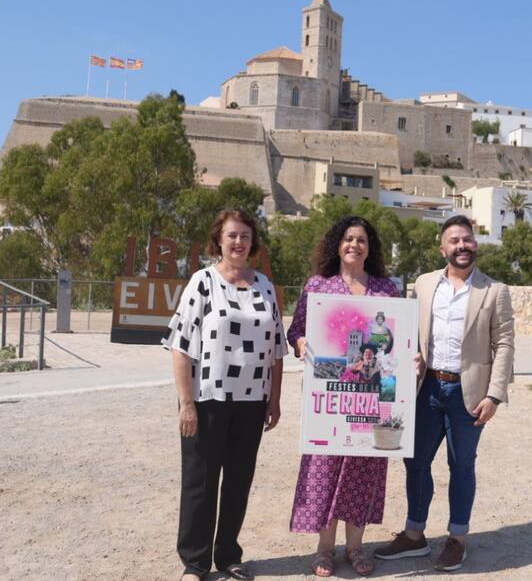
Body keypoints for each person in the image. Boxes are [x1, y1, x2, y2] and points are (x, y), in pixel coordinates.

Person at [373, 215, 515, 572]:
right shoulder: (422, 284)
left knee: (461, 466)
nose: (461, 246)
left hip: (469, 393)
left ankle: (457, 539)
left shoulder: (494, 291)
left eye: (466, 239)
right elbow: (405, 329)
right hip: (427, 388)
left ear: (475, 244)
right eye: (454, 241)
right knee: (415, 462)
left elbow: (505, 343)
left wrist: (495, 395)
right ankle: (415, 534)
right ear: (443, 248)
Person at [165, 210, 287, 581]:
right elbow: (180, 347)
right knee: (201, 482)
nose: (239, 242)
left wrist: (275, 399)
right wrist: (186, 404)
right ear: (218, 239)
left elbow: (276, 349)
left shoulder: (264, 285)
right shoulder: (202, 282)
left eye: (246, 236)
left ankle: (228, 555)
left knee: (238, 481)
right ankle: (195, 563)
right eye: (232, 235)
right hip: (207, 399)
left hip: (251, 402)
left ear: (253, 242)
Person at [287, 216, 400, 578]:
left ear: (371, 248)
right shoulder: (318, 286)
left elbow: (398, 338)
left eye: (362, 240)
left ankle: (355, 547)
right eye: (349, 239)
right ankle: (324, 549)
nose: (355, 245)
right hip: (330, 392)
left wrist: (409, 353)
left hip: (373, 393)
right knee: (324, 470)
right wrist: (303, 342)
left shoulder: (386, 290)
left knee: (363, 471)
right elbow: (296, 330)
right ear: (337, 244)